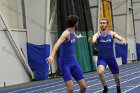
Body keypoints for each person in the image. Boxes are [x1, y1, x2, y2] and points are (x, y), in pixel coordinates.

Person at [46, 15, 86, 93]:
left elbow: (74, 37)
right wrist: (51, 56)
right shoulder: (66, 33)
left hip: (73, 62)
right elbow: (57, 43)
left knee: (83, 86)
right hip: (64, 63)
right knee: (70, 88)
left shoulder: (72, 32)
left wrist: (79, 37)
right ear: (76, 23)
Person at [88, 18, 126, 93]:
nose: (102, 24)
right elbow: (93, 40)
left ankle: (118, 88)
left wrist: (123, 41)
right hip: (102, 58)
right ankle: (105, 87)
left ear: (107, 24)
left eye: (104, 23)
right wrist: (91, 40)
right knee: (100, 72)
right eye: (101, 23)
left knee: (117, 77)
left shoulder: (112, 34)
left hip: (111, 58)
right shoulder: (97, 34)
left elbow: (122, 39)